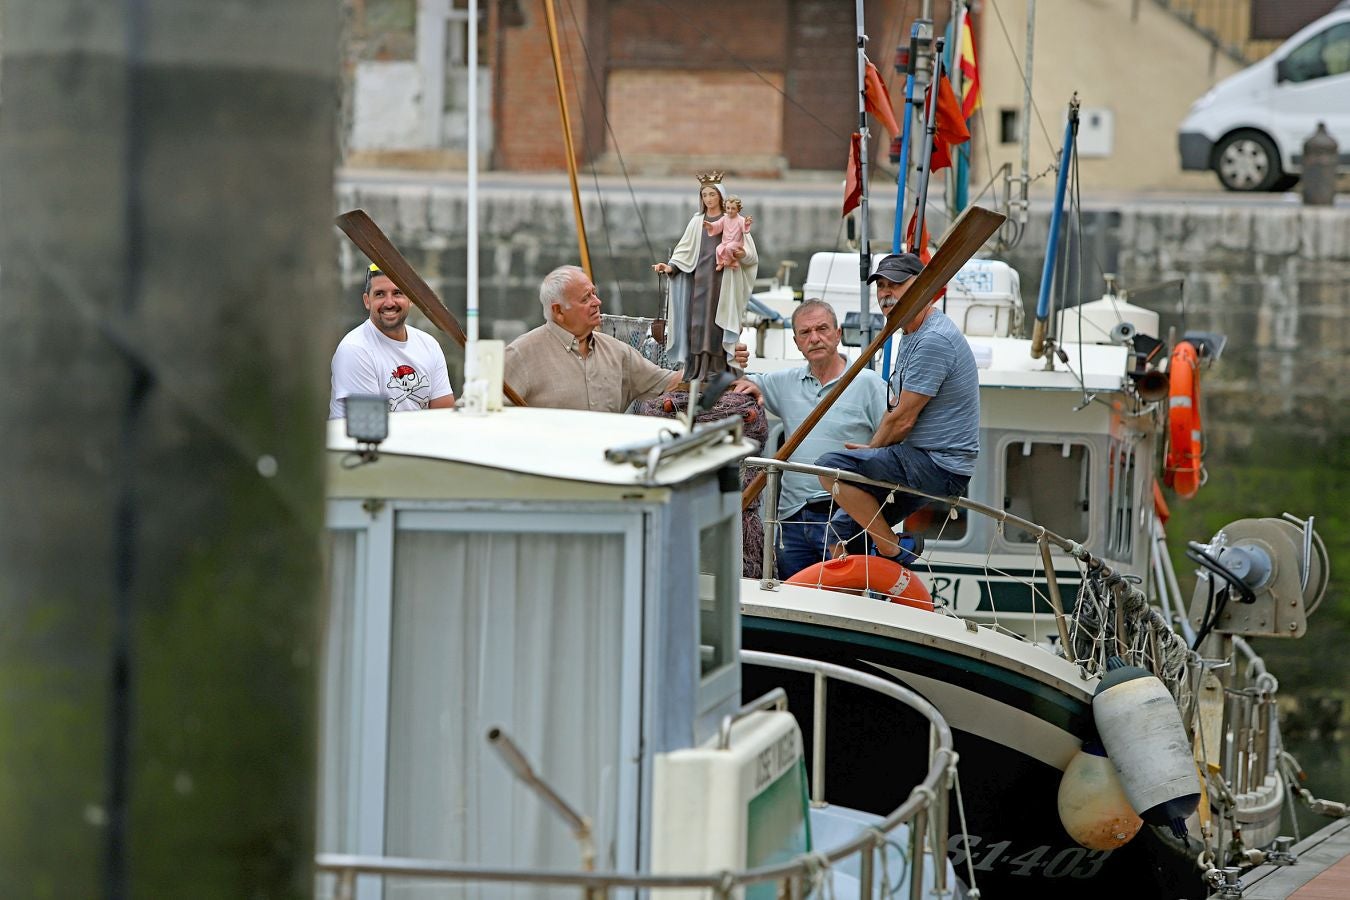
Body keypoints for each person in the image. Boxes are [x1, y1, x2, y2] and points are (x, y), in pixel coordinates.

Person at [816, 252, 980, 560]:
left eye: (896, 285)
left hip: (939, 464)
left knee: (829, 467)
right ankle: (868, 592)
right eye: (881, 286)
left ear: (922, 288)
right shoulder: (910, 332)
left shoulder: (933, 340)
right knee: (840, 532)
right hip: (918, 458)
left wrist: (872, 452)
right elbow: (895, 409)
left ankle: (893, 547)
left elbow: (902, 420)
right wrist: (876, 453)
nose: (885, 294)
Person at [730, 299, 887, 580]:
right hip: (791, 518)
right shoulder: (785, 382)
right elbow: (737, 384)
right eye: (805, 333)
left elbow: (893, 440)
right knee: (794, 597)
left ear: (838, 334)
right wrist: (733, 359)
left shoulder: (868, 384)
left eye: (822, 329)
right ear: (797, 342)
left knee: (846, 601)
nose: (815, 338)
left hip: (845, 516)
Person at [503, 265, 749, 413]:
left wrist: (719, 357)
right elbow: (488, 416)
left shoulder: (617, 352)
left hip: (608, 478)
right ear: (558, 311)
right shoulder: (521, 354)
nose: (597, 302)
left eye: (595, 294)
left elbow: (671, 383)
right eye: (586, 298)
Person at [651, 173, 757, 386]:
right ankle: (697, 370)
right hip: (698, 284)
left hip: (722, 284)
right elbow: (684, 252)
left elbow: (750, 254)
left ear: (720, 196)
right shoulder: (697, 222)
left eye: (712, 194)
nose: (709, 199)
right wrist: (670, 266)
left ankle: (720, 371)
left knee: (718, 326)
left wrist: (740, 255)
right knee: (698, 326)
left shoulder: (732, 220)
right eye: (704, 194)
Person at [329, 264, 455, 419]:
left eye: (397, 293)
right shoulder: (354, 350)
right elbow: (370, 427)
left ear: (411, 299)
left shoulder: (429, 345)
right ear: (367, 301)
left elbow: (444, 416)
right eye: (380, 294)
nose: (389, 303)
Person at [703, 196, 751, 270]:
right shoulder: (724, 218)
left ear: (738, 209)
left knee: (729, 248)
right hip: (725, 242)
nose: (730, 211)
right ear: (725, 208)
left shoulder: (740, 220)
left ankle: (731, 262)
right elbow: (717, 224)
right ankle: (720, 263)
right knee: (718, 249)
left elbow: (745, 230)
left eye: (733, 208)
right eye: (728, 208)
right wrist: (710, 225)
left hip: (736, 243)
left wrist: (746, 224)